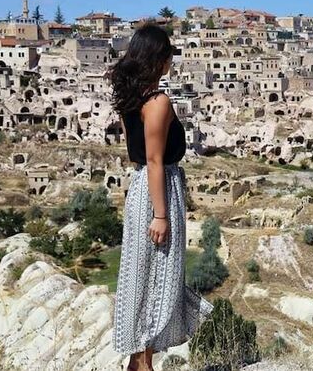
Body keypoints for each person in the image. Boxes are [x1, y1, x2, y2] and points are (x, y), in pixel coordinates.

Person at [106, 23, 212, 371]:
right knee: (159, 277)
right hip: (159, 192)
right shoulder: (158, 102)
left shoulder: (130, 100)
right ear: (159, 58)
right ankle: (142, 363)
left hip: (141, 189)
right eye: (168, 55)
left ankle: (141, 361)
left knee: (144, 276)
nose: (171, 62)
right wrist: (161, 215)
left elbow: (135, 155)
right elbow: (154, 160)